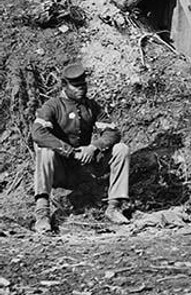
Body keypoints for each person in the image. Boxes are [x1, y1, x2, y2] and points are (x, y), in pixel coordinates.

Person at [31, 62, 131, 233]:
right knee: (45, 150)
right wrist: (69, 151)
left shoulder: (91, 106)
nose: (81, 89)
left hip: (85, 168)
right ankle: (42, 213)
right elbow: (38, 133)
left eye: (83, 85)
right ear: (64, 85)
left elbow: (113, 133)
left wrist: (93, 147)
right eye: (76, 86)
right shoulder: (53, 106)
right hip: (60, 170)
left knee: (121, 149)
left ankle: (113, 207)